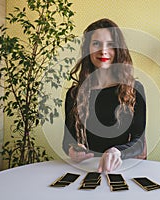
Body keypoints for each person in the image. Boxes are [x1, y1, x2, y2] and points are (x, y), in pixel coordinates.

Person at [62, 18, 146, 173]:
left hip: (123, 169)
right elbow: (67, 141)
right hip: (87, 170)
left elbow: (139, 143)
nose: (103, 50)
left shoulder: (135, 89)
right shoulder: (73, 94)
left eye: (110, 44)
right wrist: (73, 150)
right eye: (96, 44)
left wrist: (117, 152)